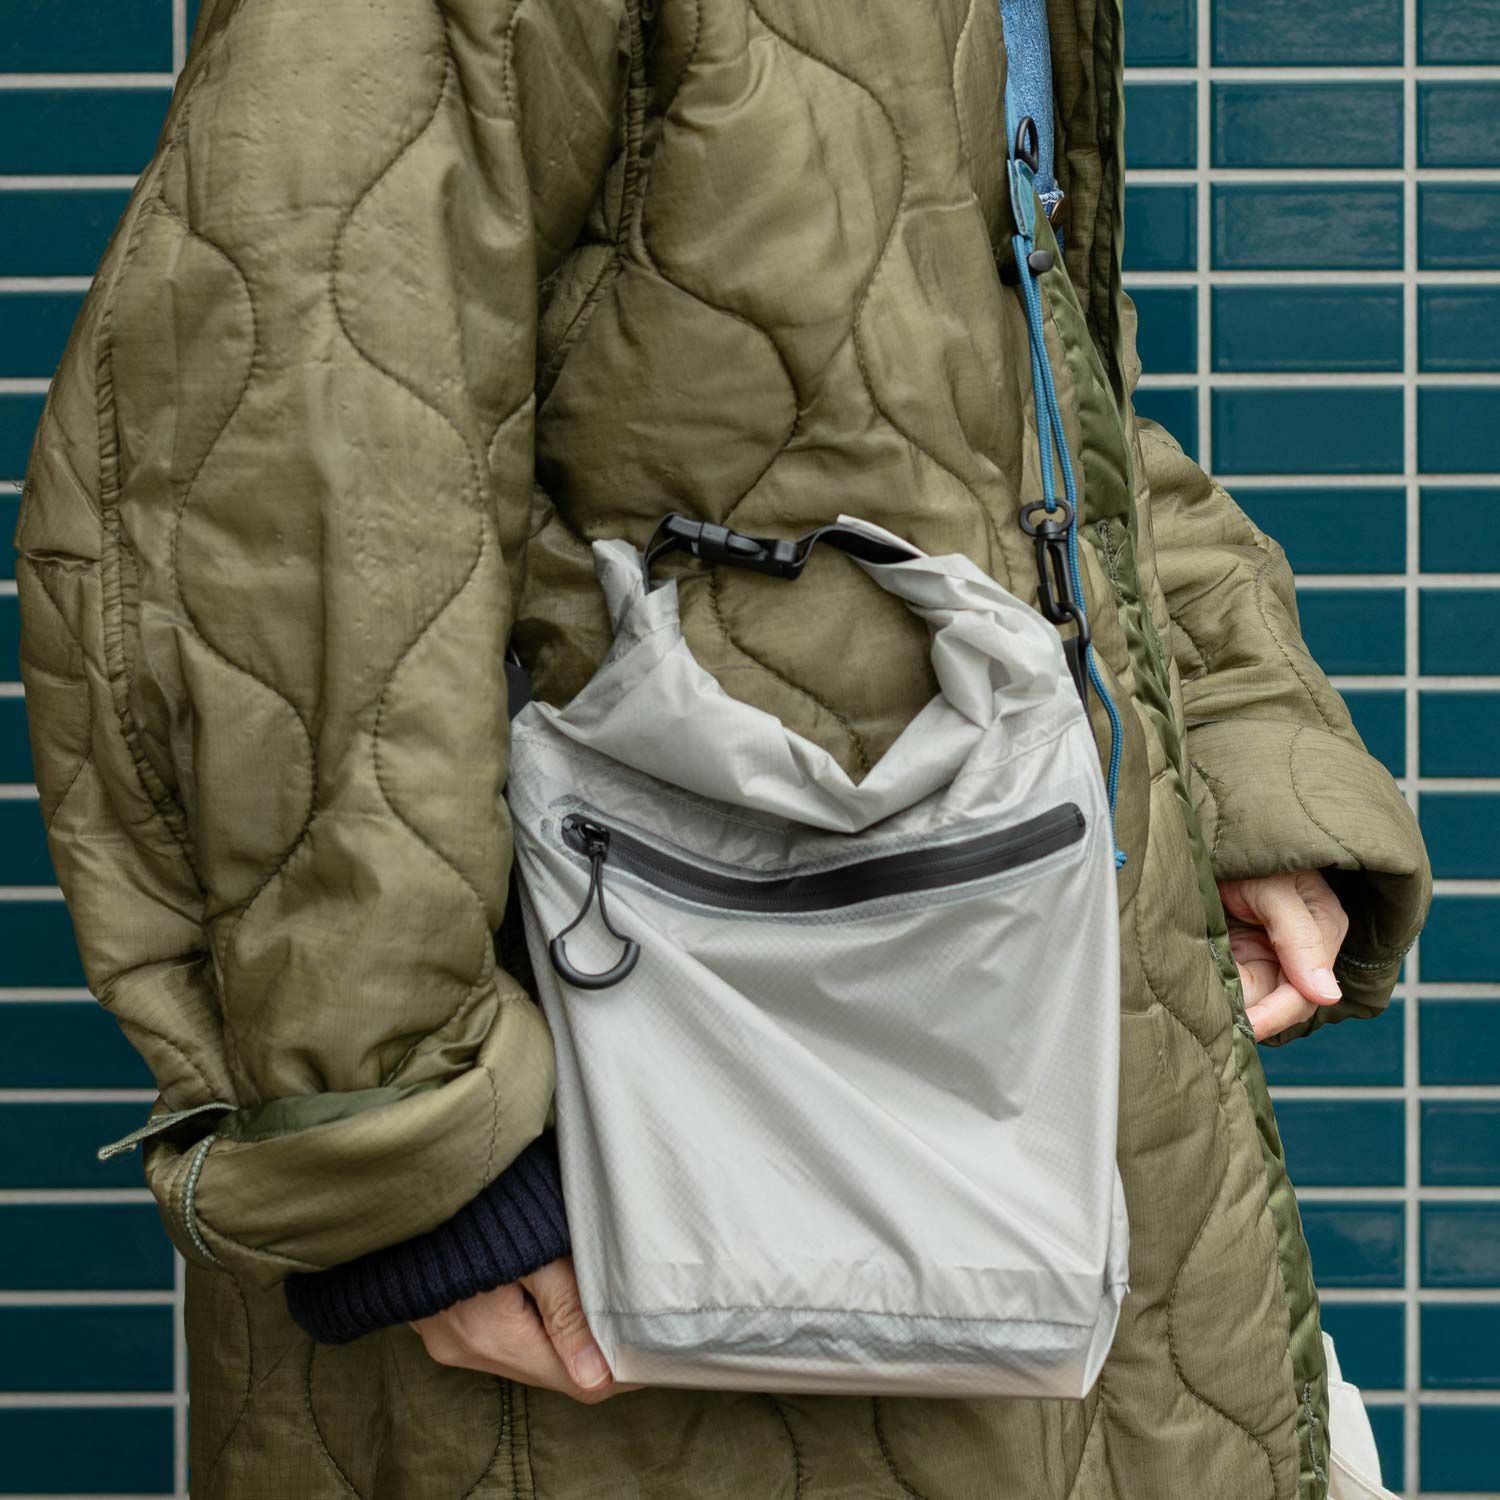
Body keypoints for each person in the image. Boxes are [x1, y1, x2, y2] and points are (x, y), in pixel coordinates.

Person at [13, 0, 1430, 1495]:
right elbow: (272, 464)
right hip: (642, 1160)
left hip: (1007, 1049)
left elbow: (1020, 402)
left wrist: (1230, 749)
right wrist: (410, 1150)